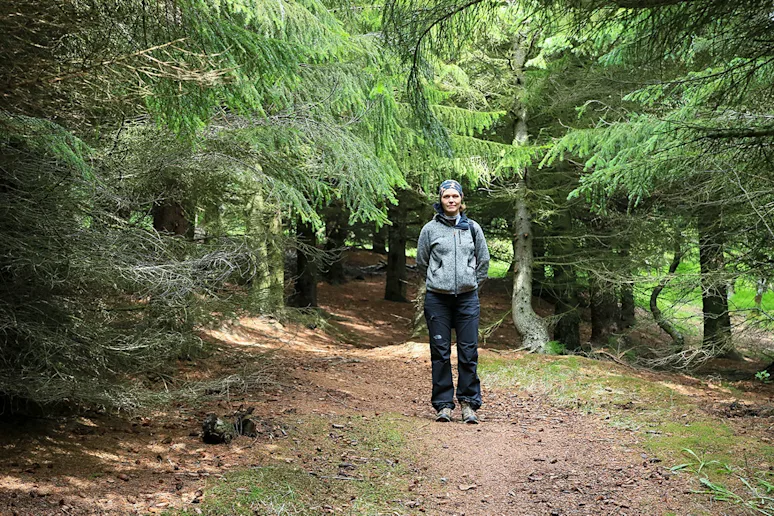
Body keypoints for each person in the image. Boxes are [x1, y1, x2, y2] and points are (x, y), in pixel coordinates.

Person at [416, 179, 490, 424]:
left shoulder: (473, 228)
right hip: (437, 299)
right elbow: (422, 262)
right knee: (440, 353)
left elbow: (484, 261)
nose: (450, 200)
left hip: (467, 299)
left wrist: (471, 282)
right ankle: (443, 405)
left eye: (454, 197)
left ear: (461, 200)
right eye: (446, 196)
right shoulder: (430, 229)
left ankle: (469, 404)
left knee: (468, 352)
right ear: (440, 199)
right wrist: (439, 279)